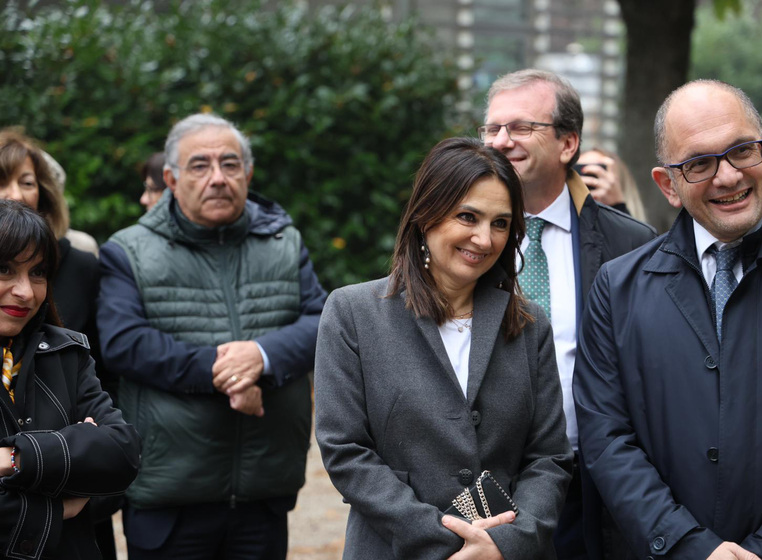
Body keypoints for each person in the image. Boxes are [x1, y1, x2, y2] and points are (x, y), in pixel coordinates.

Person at [575, 79, 762, 559]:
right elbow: (607, 439)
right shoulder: (617, 289)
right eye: (698, 163)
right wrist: (690, 548)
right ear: (667, 185)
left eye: (742, 151)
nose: (727, 177)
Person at [315, 137, 574, 560]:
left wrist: (506, 543)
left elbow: (549, 458)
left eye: (500, 223)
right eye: (467, 217)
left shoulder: (529, 325)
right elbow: (346, 452)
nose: (484, 239)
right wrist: (447, 540)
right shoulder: (352, 313)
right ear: (426, 214)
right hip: (393, 550)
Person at [97, 113, 327, 559]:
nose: (218, 178)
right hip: (169, 493)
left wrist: (261, 356)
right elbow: (124, 342)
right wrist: (226, 372)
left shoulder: (283, 240)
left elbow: (323, 321)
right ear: (171, 178)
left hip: (264, 491)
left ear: (249, 173)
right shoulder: (128, 250)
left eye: (230, 164)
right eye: (200, 166)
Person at [480, 69, 656, 560]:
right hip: (486, 483)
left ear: (567, 143)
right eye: (491, 129)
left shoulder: (631, 246)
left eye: (520, 128)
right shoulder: (457, 240)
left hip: (591, 486)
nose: (500, 141)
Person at [0, 129, 122, 559]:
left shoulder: (66, 350)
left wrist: (13, 461)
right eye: (5, 271)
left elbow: (121, 450)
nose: (24, 292)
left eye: (37, 274)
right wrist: (61, 491)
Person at [576, 147, 648, 222]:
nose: (588, 181)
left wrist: (618, 206)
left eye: (597, 175)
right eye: (580, 171)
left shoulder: (641, 231)